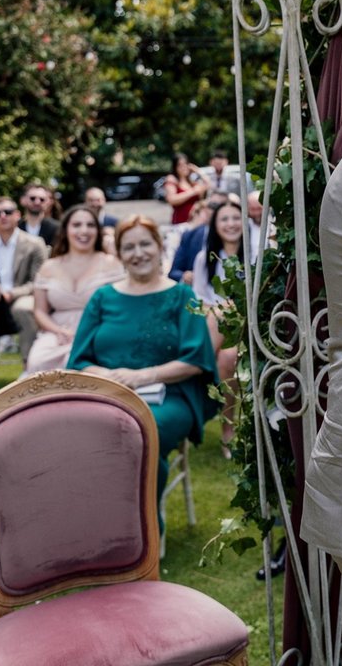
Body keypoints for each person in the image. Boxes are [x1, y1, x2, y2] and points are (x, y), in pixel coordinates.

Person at [67, 215, 218, 523]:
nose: (138, 253)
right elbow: (78, 362)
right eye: (129, 247)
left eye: (145, 244)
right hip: (107, 396)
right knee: (72, 436)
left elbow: (196, 358)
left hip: (169, 398)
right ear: (119, 255)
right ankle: (88, 523)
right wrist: (108, 377)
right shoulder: (102, 298)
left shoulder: (181, 296)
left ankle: (141, 530)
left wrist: (143, 375)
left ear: (160, 246)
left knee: (137, 434)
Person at [24, 204, 124, 375]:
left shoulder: (111, 264)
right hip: (57, 331)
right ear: (65, 230)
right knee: (36, 361)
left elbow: (121, 307)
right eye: (76, 225)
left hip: (99, 330)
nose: (84, 231)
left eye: (90, 225)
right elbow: (40, 311)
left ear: (98, 231)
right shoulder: (49, 266)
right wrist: (58, 331)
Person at [191, 197, 246, 454]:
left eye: (236, 218)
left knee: (229, 356)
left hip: (246, 327)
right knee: (226, 358)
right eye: (224, 219)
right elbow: (199, 301)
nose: (231, 224)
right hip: (215, 324)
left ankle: (198, 368)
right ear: (215, 225)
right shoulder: (205, 258)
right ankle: (228, 428)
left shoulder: (255, 255)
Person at [0, 197, 47, 362]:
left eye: (7, 212)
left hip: (22, 297)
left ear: (17, 215)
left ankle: (29, 367)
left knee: (22, 309)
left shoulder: (35, 244)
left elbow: (38, 281)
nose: (3, 216)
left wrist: (11, 294)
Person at [168, 190, 228, 283]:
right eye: (213, 205)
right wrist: (185, 276)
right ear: (205, 209)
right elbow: (174, 272)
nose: (216, 211)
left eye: (222, 206)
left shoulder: (240, 237)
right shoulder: (190, 235)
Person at [164, 152, 208, 226]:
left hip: (196, 222)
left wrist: (198, 171)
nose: (183, 167)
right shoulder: (172, 179)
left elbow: (208, 185)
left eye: (185, 164)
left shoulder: (192, 181)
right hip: (181, 222)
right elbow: (172, 199)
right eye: (180, 165)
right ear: (175, 167)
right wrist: (193, 191)